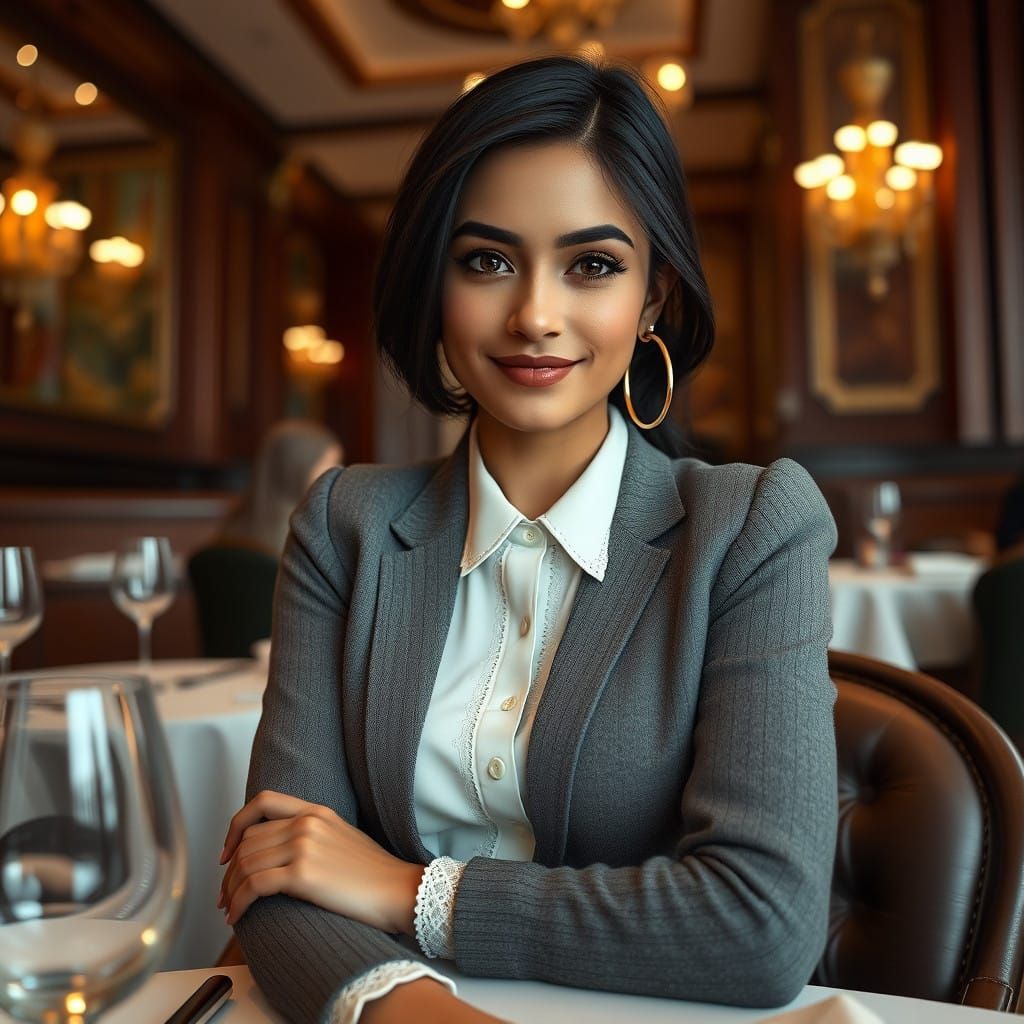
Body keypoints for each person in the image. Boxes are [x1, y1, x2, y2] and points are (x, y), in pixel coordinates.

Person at [217, 56, 838, 1024]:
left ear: (653, 299)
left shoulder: (751, 528)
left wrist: (406, 890)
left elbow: (760, 925)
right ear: (435, 283)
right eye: (487, 260)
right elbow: (282, 868)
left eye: (591, 265)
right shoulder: (344, 525)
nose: (535, 316)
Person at [219, 419, 343, 556]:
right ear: (297, 469)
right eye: (330, 463)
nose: (338, 472)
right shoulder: (303, 538)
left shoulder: (233, 527)